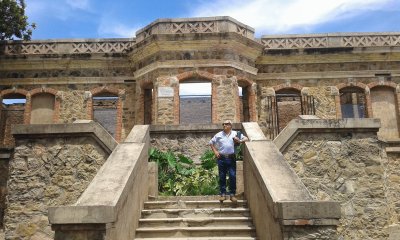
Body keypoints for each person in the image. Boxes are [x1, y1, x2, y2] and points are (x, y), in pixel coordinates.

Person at [209, 120, 248, 203]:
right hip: (221, 158)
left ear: (230, 125)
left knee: (232, 176)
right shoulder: (219, 134)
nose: (224, 125)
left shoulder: (236, 134)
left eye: (226, 124)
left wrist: (239, 141)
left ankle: (232, 195)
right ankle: (222, 194)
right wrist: (215, 152)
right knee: (222, 176)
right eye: (223, 124)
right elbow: (211, 142)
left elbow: (246, 138)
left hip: (231, 158)